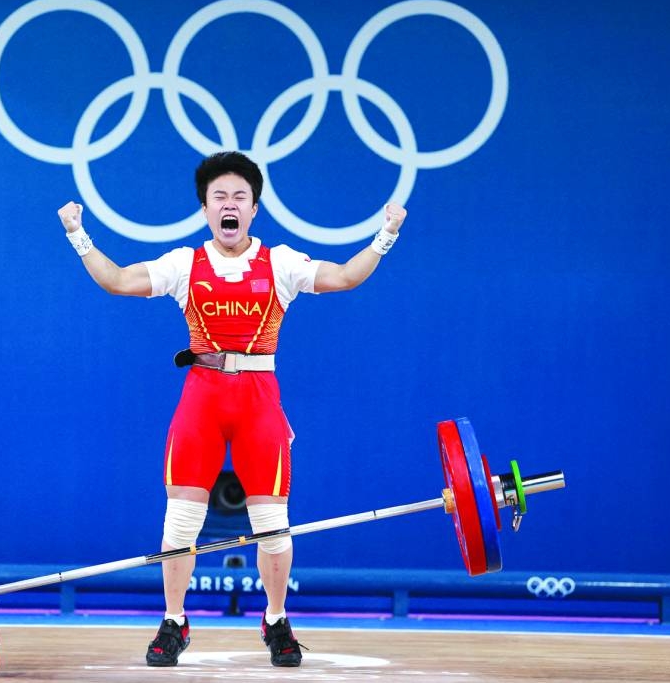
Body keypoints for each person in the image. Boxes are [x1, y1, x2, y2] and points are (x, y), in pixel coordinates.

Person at [57, 151, 407, 668]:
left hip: (259, 400)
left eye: (239, 197)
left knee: (273, 524)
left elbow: (345, 277)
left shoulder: (281, 263)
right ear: (205, 210)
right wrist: (76, 234)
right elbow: (118, 281)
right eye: (219, 196)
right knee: (179, 525)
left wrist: (386, 234)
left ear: (253, 209)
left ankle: (276, 619)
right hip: (201, 398)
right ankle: (174, 622)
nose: (229, 204)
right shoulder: (184, 265)